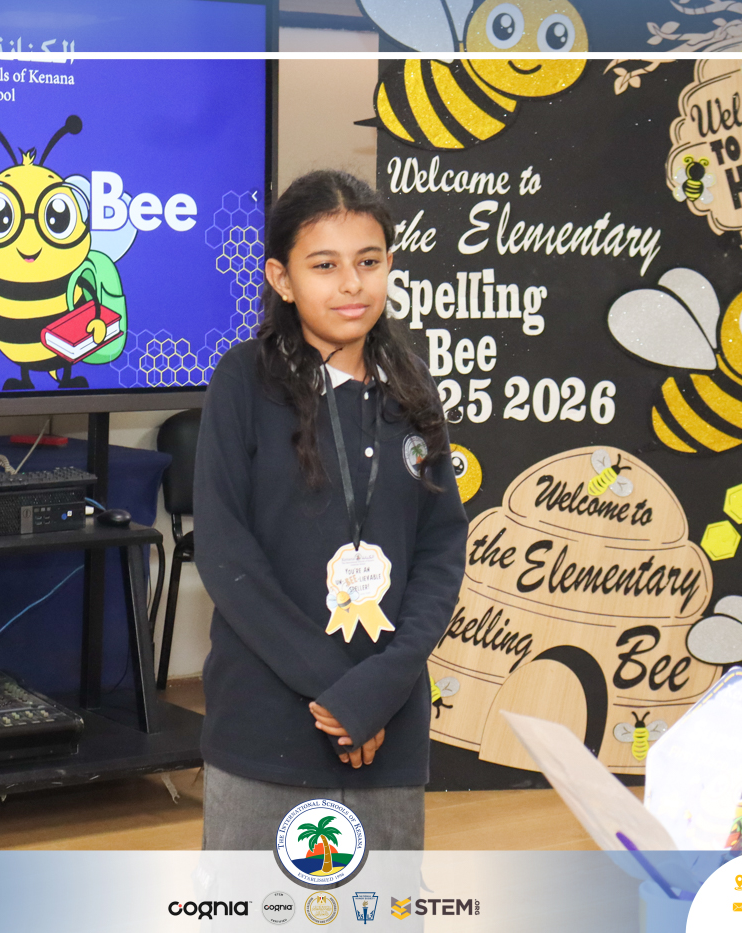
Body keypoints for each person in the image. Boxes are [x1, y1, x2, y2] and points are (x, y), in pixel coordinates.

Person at [193, 169, 468, 850]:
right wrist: (340, 693)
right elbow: (227, 557)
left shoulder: (413, 385)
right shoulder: (242, 381)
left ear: (389, 265)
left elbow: (441, 549)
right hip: (268, 720)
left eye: (368, 262)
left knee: (380, 900)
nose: (351, 284)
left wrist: (379, 689)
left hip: (389, 717)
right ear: (282, 279)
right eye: (325, 265)